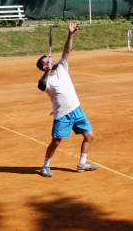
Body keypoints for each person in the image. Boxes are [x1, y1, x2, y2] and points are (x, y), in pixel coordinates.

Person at [36, 22, 97, 178]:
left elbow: (67, 50)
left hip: (77, 110)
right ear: (44, 67)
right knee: (56, 142)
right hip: (62, 115)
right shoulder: (46, 80)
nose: (52, 59)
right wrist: (47, 73)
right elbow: (41, 86)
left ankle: (82, 163)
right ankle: (45, 166)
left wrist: (70, 34)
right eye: (48, 60)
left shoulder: (62, 67)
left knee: (89, 136)